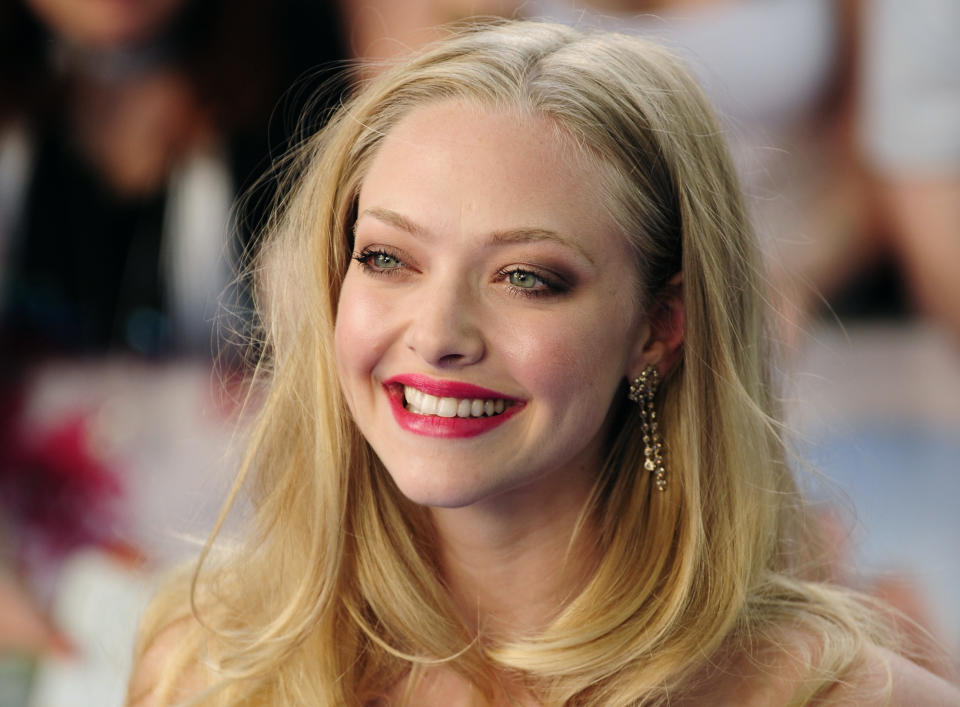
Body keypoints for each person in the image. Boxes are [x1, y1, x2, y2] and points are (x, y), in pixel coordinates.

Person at [126, 20, 959, 705]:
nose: (438, 332)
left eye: (527, 277)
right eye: (387, 259)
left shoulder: (847, 696)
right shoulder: (201, 666)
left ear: (660, 326)